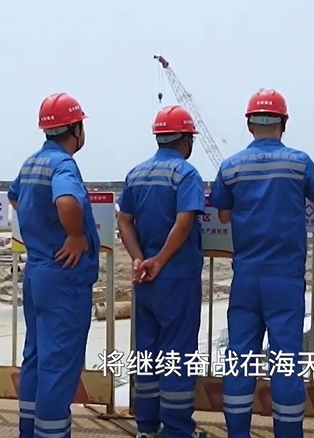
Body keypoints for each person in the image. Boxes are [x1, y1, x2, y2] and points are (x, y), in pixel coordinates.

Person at [208, 88, 314, 438]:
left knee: (239, 359)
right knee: (286, 361)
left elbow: (223, 213)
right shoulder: (299, 162)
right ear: (284, 123)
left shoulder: (231, 165)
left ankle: (237, 433)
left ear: (250, 125)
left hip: (246, 276)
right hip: (285, 277)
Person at [8, 92, 101, 438]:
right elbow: (66, 200)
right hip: (64, 278)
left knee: (35, 357)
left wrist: (41, 230)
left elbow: (15, 196)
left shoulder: (32, 162)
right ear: (76, 129)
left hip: (38, 272)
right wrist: (74, 236)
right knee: (59, 366)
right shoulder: (63, 165)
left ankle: (29, 431)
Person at [117, 105, 209, 438]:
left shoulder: (136, 174)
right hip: (176, 276)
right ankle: (177, 430)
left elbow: (124, 221)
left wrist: (140, 259)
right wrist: (160, 260)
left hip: (144, 277)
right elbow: (184, 223)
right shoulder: (185, 174)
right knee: (178, 354)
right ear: (186, 139)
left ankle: (146, 426)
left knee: (147, 352)